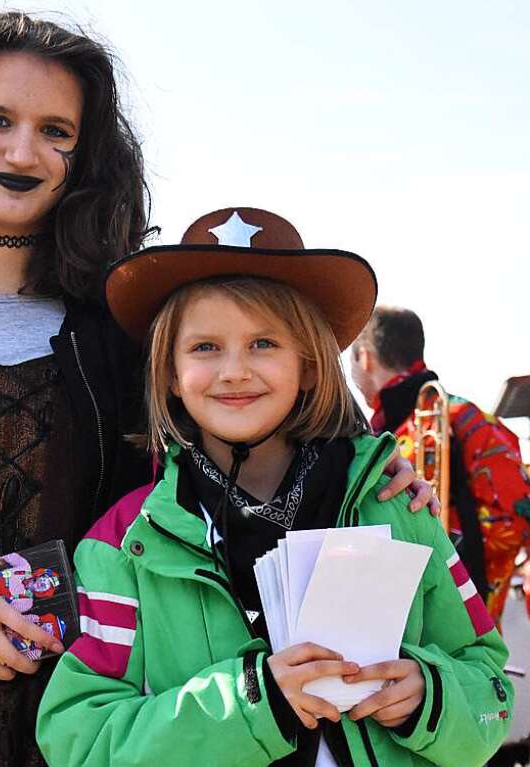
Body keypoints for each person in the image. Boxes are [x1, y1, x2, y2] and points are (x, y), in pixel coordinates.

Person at [0, 14, 431, 766]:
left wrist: (375, 471)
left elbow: (302, 435)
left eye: (56, 130)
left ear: (87, 152)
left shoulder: (134, 325)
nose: (23, 150)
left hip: (99, 734)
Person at [36, 208, 512, 767]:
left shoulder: (395, 505)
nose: (235, 370)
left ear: (309, 366)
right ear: (167, 372)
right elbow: (80, 739)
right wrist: (253, 703)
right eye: (205, 347)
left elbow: (489, 690)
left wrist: (429, 696)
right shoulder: (127, 543)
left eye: (264, 343)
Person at [350, 306, 530, 624]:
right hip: (439, 619)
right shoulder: (478, 421)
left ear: (365, 358)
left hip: (449, 624)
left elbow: (514, 515)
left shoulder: (434, 426)